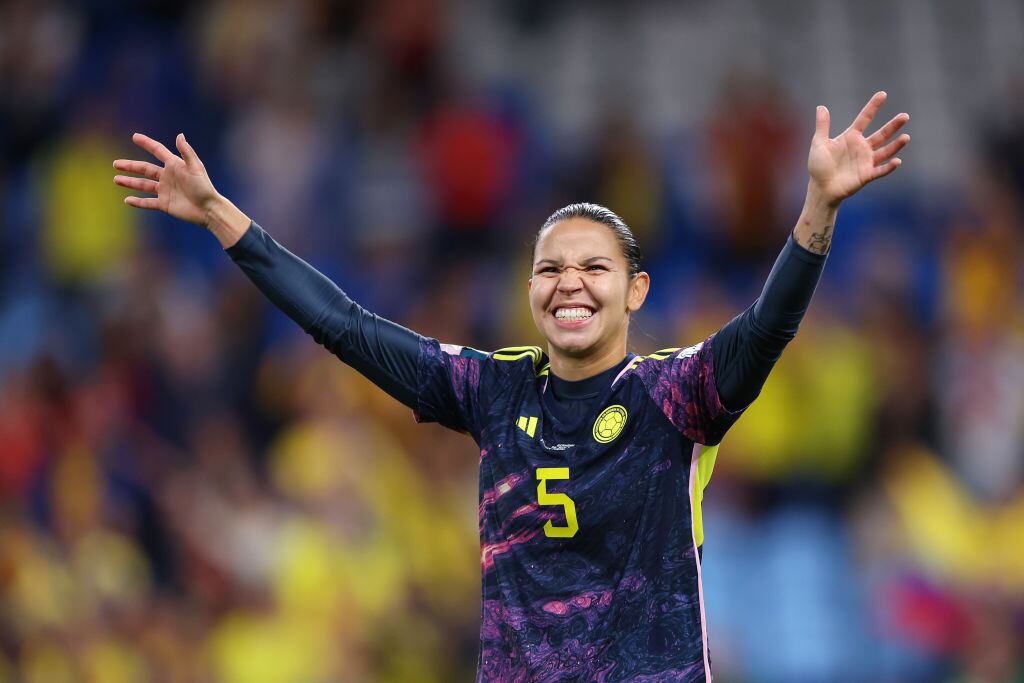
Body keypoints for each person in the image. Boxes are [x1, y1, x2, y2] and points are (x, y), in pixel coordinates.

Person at [114, 91, 909, 682]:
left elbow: (767, 327)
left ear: (636, 290)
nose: (571, 282)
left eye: (594, 266)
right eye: (550, 267)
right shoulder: (493, 390)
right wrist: (223, 218)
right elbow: (345, 326)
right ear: (529, 291)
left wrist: (817, 208)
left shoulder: (675, 396)